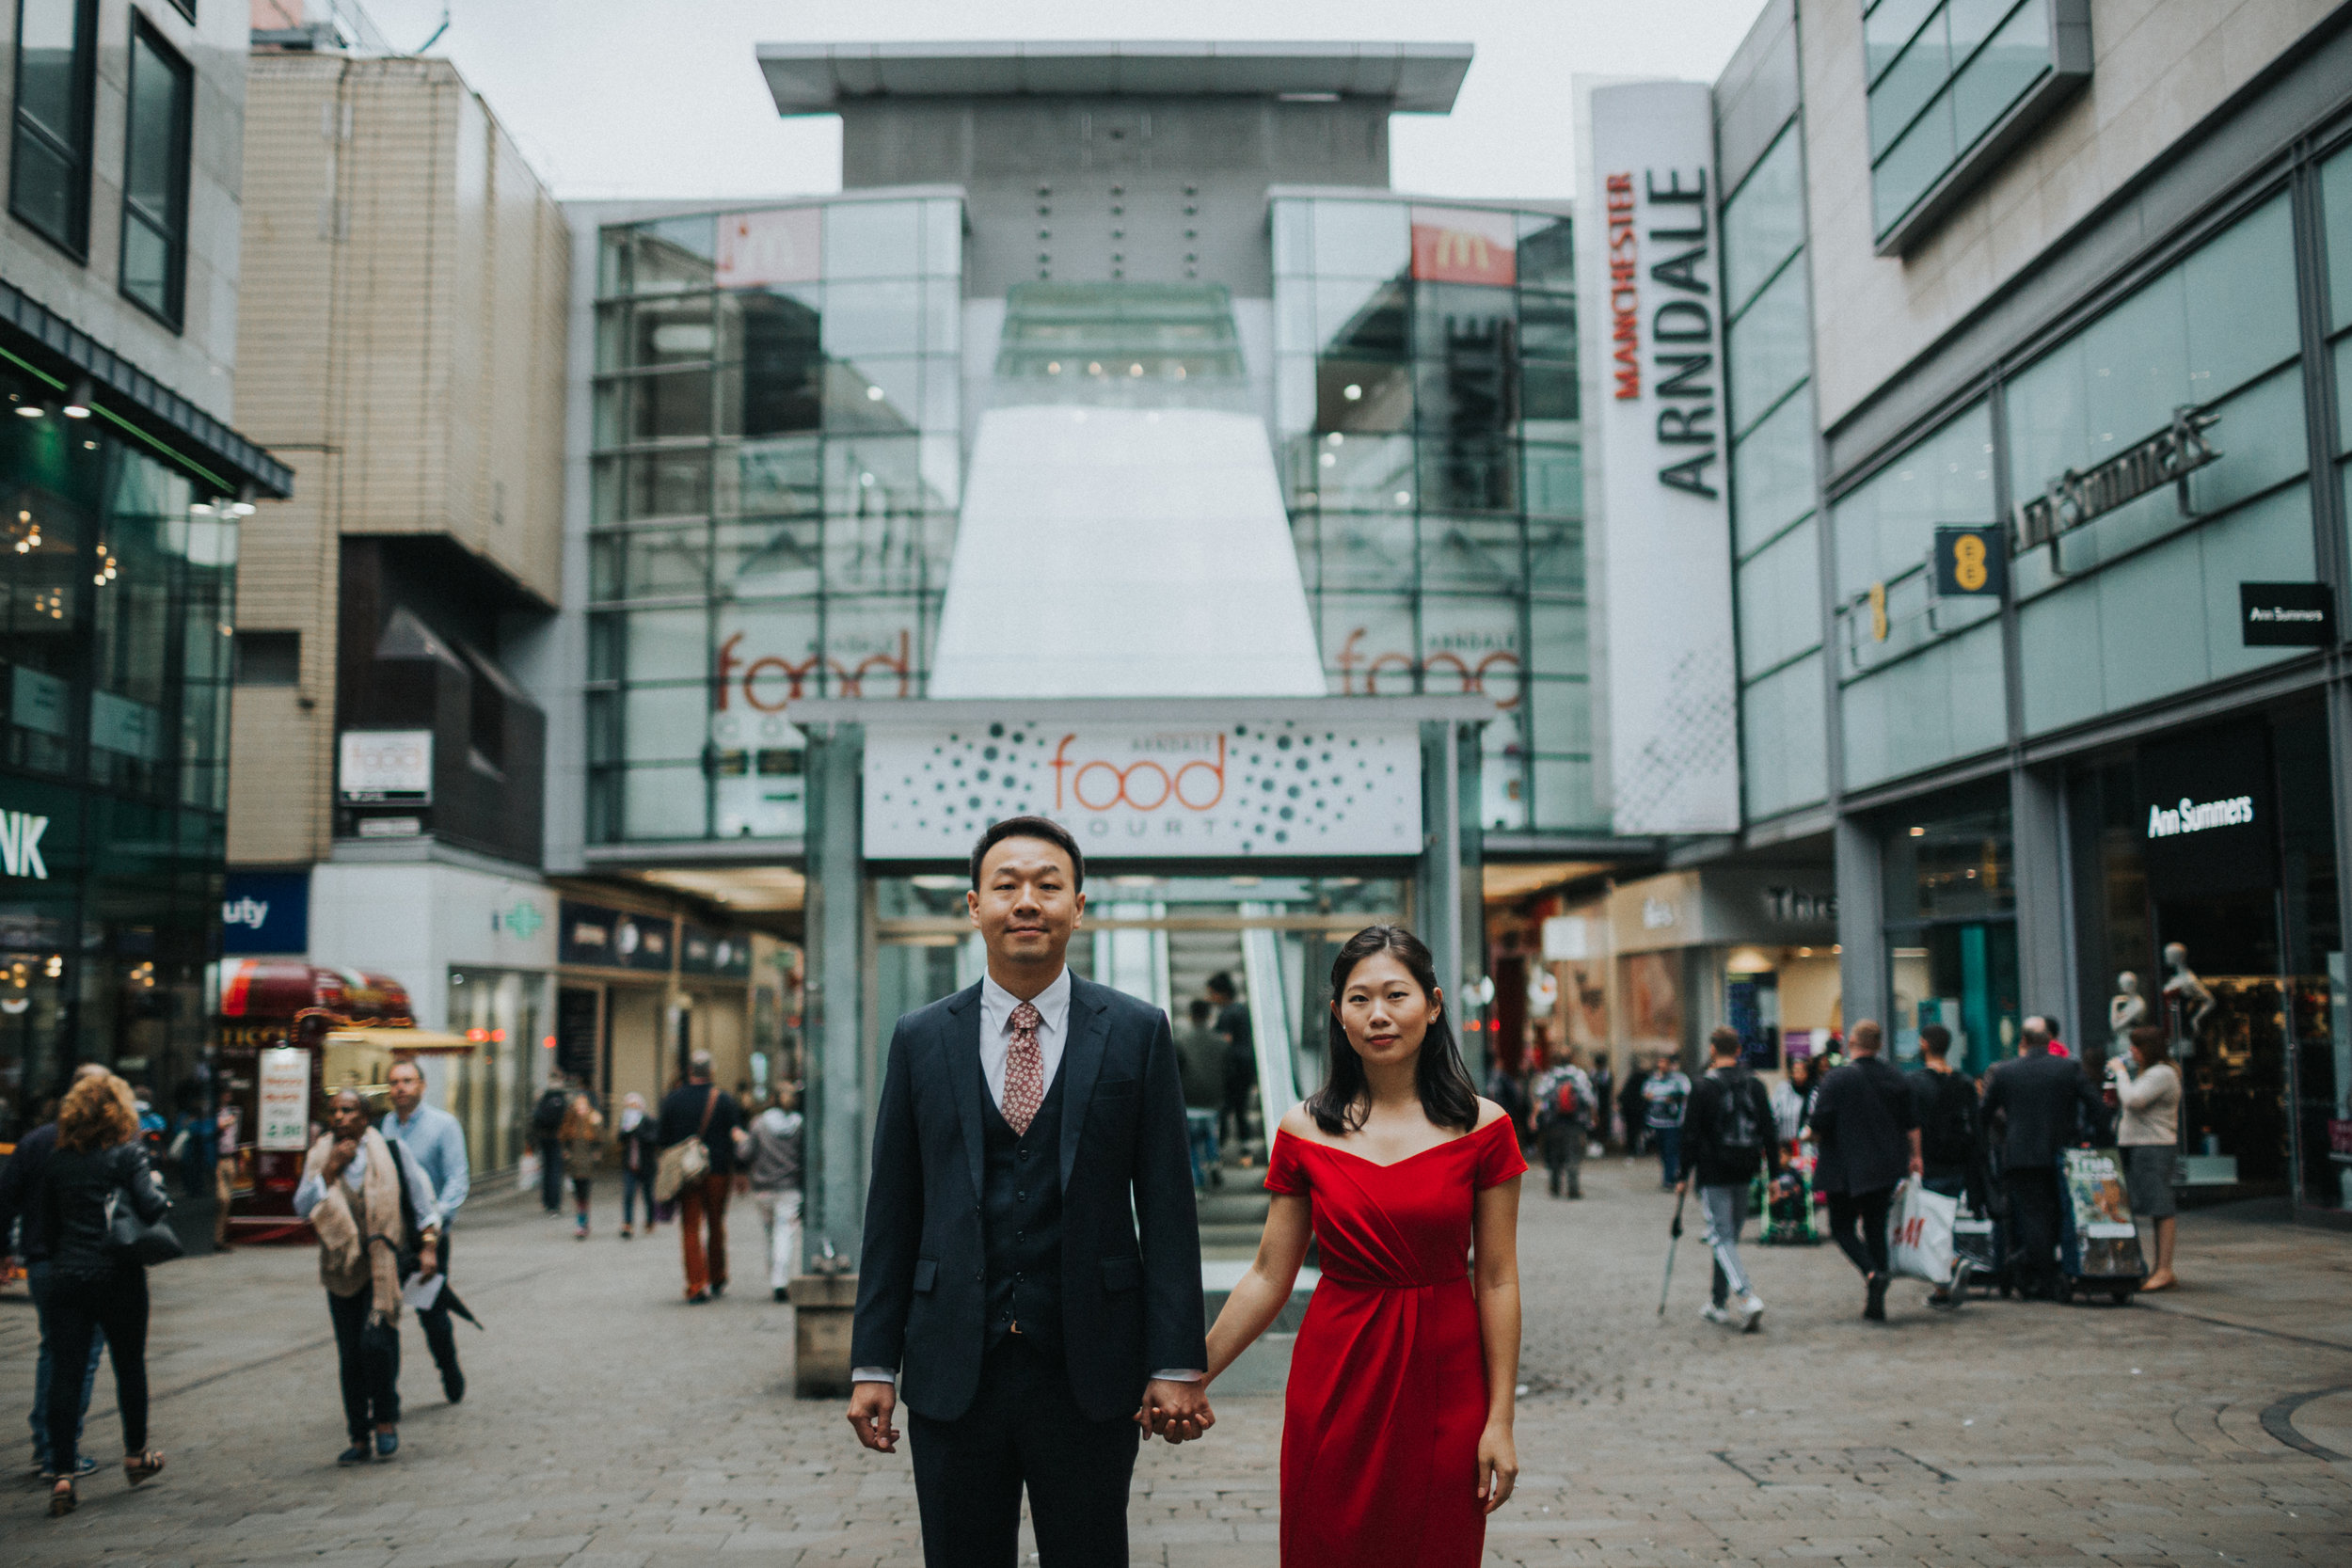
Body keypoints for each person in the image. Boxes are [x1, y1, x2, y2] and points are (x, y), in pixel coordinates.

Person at [848, 816, 1209, 1568]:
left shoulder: (1137, 1031)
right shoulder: (921, 1037)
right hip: (953, 1364)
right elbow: (894, 1210)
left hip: (1090, 1367)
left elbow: (1171, 1209)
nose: (1027, 901)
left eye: (1048, 885)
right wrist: (873, 1363)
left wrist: (1176, 1360)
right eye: (1006, 884)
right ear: (972, 905)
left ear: (1079, 907)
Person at [1201, 924, 1524, 1566]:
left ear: (1432, 1005)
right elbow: (1269, 1274)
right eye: (1359, 998)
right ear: (1336, 1013)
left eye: (1396, 995)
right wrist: (1191, 1373)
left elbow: (1497, 1278)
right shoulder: (1304, 1128)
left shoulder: (1485, 1127)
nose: (1378, 1013)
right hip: (1337, 1371)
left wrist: (1501, 1419)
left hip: (1446, 1374)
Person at [36, 1072, 171, 1516]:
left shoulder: (57, 1159)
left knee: (66, 1374)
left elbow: (47, 1227)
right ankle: (135, 1456)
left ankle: (62, 1474)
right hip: (119, 1276)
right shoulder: (126, 1154)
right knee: (129, 1365)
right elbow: (150, 1208)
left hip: (68, 1277)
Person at [295, 1088, 442, 1465]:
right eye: (335, 1111)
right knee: (350, 1354)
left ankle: (385, 1421)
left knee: (376, 1344)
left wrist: (428, 1247)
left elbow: (423, 1203)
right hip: (341, 1269)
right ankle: (358, 1436)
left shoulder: (390, 1151)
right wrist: (330, 1171)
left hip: (382, 1265)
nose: (341, 1117)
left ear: (365, 1117)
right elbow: (301, 1207)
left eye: (349, 1110)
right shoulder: (319, 1154)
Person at [0, 1065, 110, 1485]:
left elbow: (5, 1199)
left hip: (42, 1263)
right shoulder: (97, 1145)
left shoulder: (35, 1141)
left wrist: (5, 1251)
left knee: (54, 1351)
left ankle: (44, 1443)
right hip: (83, 1264)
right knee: (80, 1358)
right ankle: (58, 1450)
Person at [1805, 1021, 1920, 1322]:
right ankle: (1876, 1296)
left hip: (1844, 1165)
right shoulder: (1896, 1077)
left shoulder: (1837, 1078)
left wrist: (1808, 1134)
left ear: (1851, 1042)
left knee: (1842, 1227)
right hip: (1885, 1165)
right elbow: (1911, 1123)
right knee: (1875, 1228)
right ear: (1879, 1045)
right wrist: (1916, 1156)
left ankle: (1871, 1272)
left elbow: (1820, 1122)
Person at [1981, 1017, 2103, 1300]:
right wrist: (2095, 1137)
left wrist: (1989, 1142)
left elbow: (1985, 1111)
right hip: (2063, 1152)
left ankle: (2039, 1273)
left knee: (2033, 1215)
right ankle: (2048, 1268)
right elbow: (2096, 1104)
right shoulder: (2068, 1068)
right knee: (2063, 1212)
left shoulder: (2005, 1071)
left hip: (2021, 1155)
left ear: (2022, 1041)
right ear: (2050, 1041)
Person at [1677, 1026, 1782, 1332]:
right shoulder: (1756, 1084)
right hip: (1745, 1168)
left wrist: (1682, 1174)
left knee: (1721, 1237)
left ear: (1712, 1050)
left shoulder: (1702, 1087)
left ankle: (1747, 1297)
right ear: (1738, 1051)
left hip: (1713, 1171)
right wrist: (1774, 1174)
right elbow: (1769, 1130)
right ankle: (1717, 1302)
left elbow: (1690, 1134)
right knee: (1728, 1238)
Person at [381, 1058, 471, 1403]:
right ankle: (387, 1394)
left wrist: (435, 1222)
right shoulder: (382, 1128)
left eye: (407, 1081)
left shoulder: (443, 1126)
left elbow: (457, 1180)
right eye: (393, 1082)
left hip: (428, 1238)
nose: (400, 1088)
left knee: (431, 1313)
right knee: (385, 1315)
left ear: (422, 1085)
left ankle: (448, 1368)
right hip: (390, 1237)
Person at [660, 1052, 746, 1303]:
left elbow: (662, 1138)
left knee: (690, 1226)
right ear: (712, 1072)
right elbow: (737, 1136)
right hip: (718, 1170)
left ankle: (696, 1284)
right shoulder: (724, 1100)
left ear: (689, 1071)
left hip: (686, 1174)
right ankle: (717, 1276)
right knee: (716, 1223)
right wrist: (740, 1170)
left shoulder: (673, 1100)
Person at [1907, 1025, 1982, 1307]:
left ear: (1924, 1044)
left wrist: (1913, 1158)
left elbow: (1910, 1124)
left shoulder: (1915, 1083)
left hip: (1930, 1162)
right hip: (1959, 1162)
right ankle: (1942, 1289)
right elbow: (1975, 1124)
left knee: (1930, 1226)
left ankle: (1952, 1265)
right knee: (1947, 1222)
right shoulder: (1964, 1082)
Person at [2111, 1024, 2182, 1291]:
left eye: (2136, 1047)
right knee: (2150, 1205)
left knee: (2159, 1205)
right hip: (2139, 1145)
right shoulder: (2151, 1073)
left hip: (2153, 1146)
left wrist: (2120, 1074)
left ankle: (2163, 1269)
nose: (2132, 1052)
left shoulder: (2162, 1073)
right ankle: (2156, 1268)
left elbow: (2133, 1100)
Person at [741, 1085, 804, 1301]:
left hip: (763, 1189)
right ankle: (780, 1280)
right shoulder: (800, 1125)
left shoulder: (759, 1124)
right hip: (790, 1188)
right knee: (784, 1233)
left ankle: (774, 1278)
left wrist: (740, 1141)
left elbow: (746, 1152)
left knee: (770, 1234)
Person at [1527, 1040, 1593, 1199]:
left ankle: (1555, 1187)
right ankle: (1573, 1189)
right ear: (1573, 1058)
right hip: (1574, 1122)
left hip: (1553, 1122)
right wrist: (1592, 1117)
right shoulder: (1579, 1075)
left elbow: (1540, 1097)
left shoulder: (1550, 1075)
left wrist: (1534, 1117)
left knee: (1555, 1155)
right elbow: (1589, 1098)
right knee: (1573, 1155)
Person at [1211, 973, 1258, 1156]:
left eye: (1212, 993)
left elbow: (1225, 1041)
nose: (1210, 998)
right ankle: (1245, 1146)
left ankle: (1219, 1148)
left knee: (1224, 1108)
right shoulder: (1242, 1009)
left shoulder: (1227, 1014)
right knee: (1241, 1107)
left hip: (1232, 1068)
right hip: (1246, 1065)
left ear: (1222, 993)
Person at [1642, 1052, 1691, 1189]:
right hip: (1655, 1121)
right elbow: (1646, 1093)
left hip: (1672, 1122)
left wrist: (1674, 1097)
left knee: (1671, 1150)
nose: (1662, 1065)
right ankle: (1668, 1175)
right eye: (1660, 1062)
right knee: (1662, 1151)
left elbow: (1687, 1093)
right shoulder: (1653, 1079)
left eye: (1665, 1062)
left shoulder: (1679, 1079)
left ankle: (1670, 1179)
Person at [561, 1090, 604, 1241]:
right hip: (574, 1165)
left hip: (587, 1165)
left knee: (584, 1195)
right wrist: (567, 1155)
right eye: (578, 1104)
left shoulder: (592, 1120)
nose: (581, 1108)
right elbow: (564, 1140)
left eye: (583, 1104)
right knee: (578, 1195)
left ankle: (582, 1223)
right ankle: (582, 1222)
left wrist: (597, 1123)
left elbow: (599, 1140)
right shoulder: (570, 1121)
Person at [616, 1092, 660, 1238]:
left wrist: (637, 1128)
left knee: (648, 1196)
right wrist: (626, 1129)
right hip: (630, 1165)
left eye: (635, 1106)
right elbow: (620, 1139)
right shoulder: (625, 1121)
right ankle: (627, 1224)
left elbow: (653, 1139)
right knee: (629, 1194)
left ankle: (650, 1220)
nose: (632, 1110)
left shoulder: (649, 1121)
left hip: (646, 1165)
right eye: (629, 1107)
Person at [531, 1076, 570, 1216]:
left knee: (547, 1171)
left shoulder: (545, 1098)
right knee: (555, 1171)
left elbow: (535, 1118)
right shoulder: (563, 1100)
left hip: (544, 1138)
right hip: (557, 1138)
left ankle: (547, 1202)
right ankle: (555, 1203)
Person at [1618, 1059, 1652, 1160]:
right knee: (1640, 1130)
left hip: (1629, 1110)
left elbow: (1622, 1096)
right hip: (1639, 1110)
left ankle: (1631, 1149)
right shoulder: (1645, 1079)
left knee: (1630, 1131)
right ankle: (1641, 1148)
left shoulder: (1631, 1081)